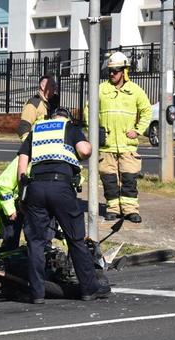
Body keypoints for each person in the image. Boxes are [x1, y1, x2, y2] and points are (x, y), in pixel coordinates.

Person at [17, 107, 111, 304]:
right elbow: (84, 150)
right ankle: (88, 289)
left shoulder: (37, 129)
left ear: (51, 118)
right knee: (75, 239)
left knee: (35, 242)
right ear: (66, 118)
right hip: (61, 187)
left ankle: (37, 293)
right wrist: (88, 149)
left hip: (35, 187)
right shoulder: (69, 127)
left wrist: (23, 194)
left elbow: (22, 163)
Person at [93, 51, 152, 222]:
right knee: (109, 180)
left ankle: (130, 210)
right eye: (110, 70)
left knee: (129, 180)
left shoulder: (135, 91)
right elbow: (89, 111)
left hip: (127, 145)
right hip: (107, 145)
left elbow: (147, 111)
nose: (112, 73)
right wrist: (96, 131)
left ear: (124, 71)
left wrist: (138, 130)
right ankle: (113, 208)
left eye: (116, 70)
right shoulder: (101, 90)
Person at [17, 74, 60, 141]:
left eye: (55, 86)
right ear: (43, 87)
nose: (55, 88)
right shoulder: (33, 103)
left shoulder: (53, 104)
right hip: (38, 145)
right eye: (52, 86)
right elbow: (24, 127)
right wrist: (29, 144)